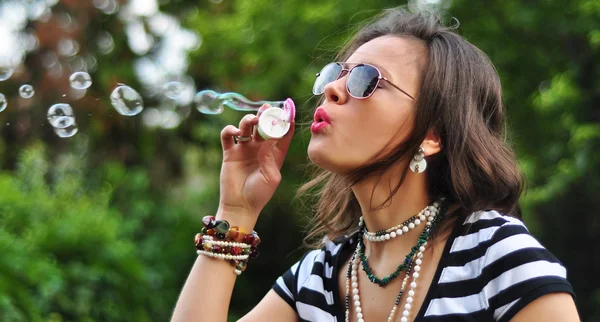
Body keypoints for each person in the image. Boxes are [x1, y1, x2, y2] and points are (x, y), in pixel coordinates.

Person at [171, 7, 579, 322]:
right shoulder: (318, 279)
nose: (331, 88)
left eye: (366, 80)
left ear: (432, 134)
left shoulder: (498, 260)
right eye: (336, 73)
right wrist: (236, 212)